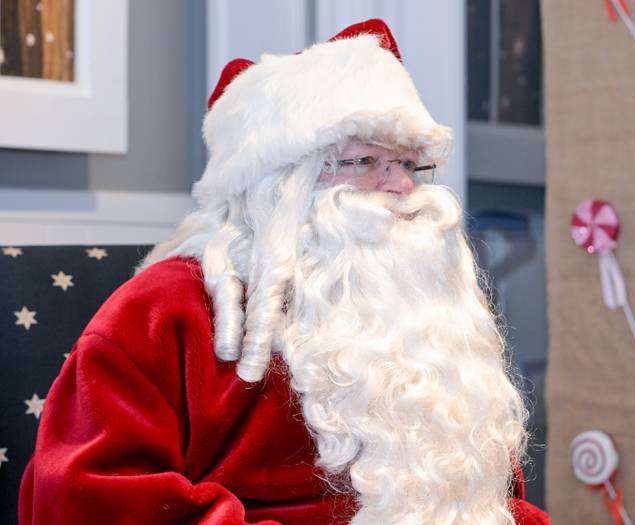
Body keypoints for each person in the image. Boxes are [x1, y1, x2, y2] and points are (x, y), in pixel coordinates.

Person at [19, 19, 550, 525]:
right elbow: (87, 499)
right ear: (278, 184)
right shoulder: (167, 310)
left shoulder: (421, 308)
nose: (401, 187)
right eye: (368, 161)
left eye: (409, 164)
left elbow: (486, 492)